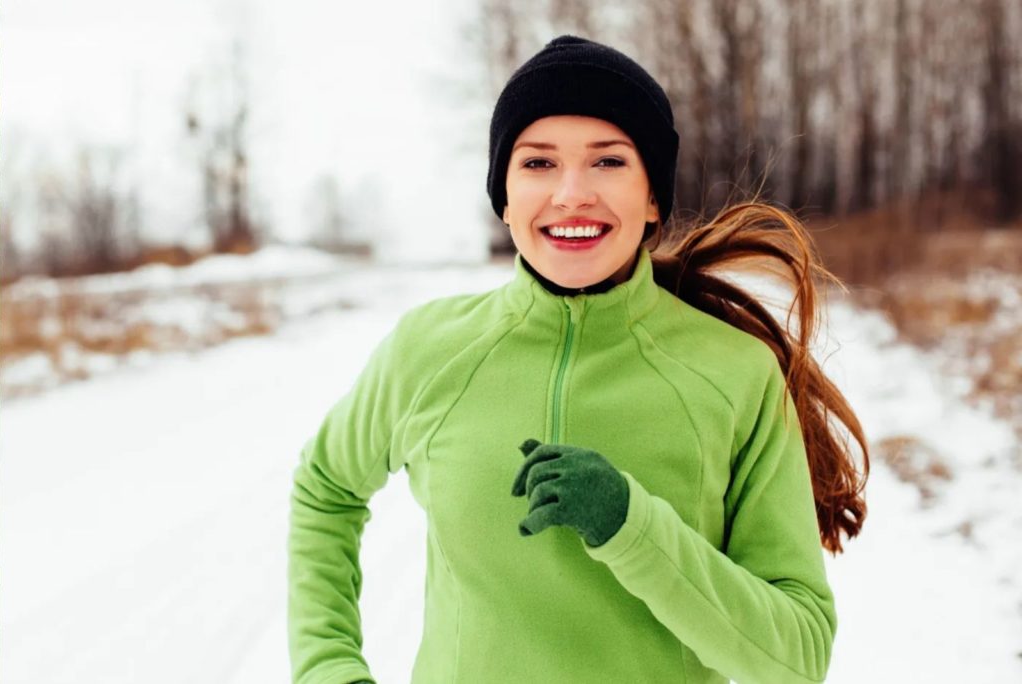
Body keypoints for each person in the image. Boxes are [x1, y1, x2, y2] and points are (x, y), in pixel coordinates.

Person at [288, 35, 869, 684]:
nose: (572, 193)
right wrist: (328, 668)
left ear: (653, 197)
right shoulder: (429, 352)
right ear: (503, 197)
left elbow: (797, 659)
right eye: (538, 164)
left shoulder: (736, 375)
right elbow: (325, 489)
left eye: (608, 162)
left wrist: (630, 523)